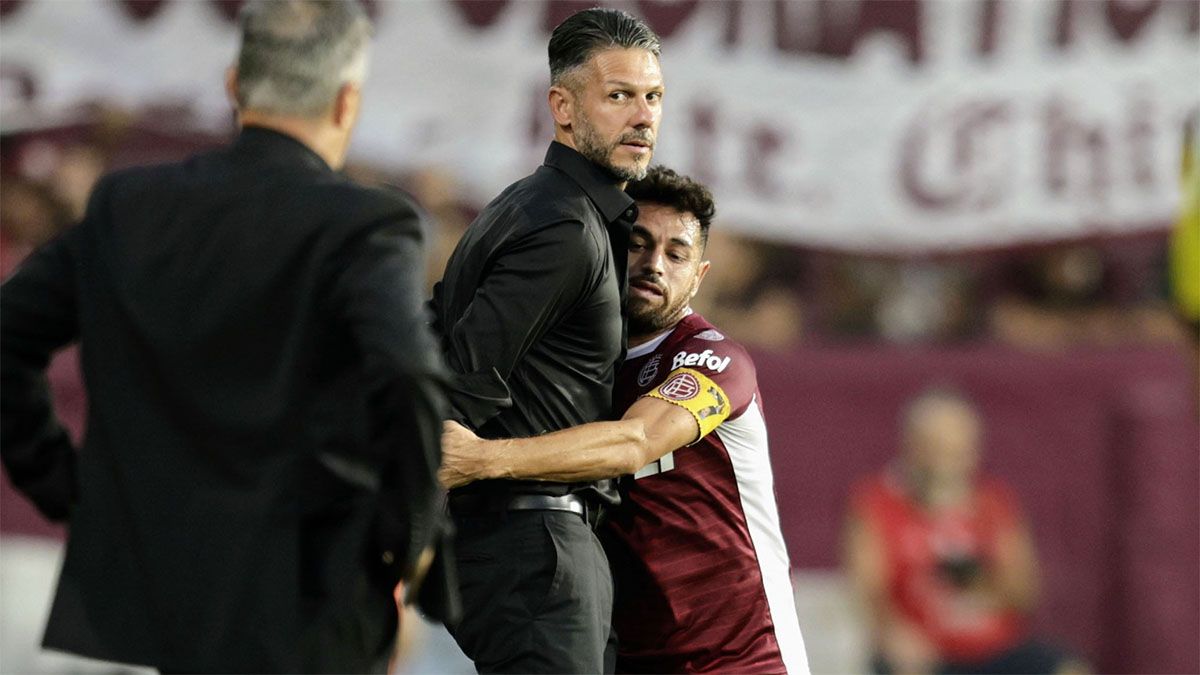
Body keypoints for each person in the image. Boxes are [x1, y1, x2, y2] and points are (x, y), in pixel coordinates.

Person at [0, 2, 450, 672]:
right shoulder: (368, 226)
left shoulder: (132, 204)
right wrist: (411, 545)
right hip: (308, 610)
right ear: (347, 100)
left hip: (155, 598)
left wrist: (61, 481)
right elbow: (409, 376)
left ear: (235, 83)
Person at [441, 166, 812, 674]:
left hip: (741, 659)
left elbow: (635, 441)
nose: (654, 264)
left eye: (676, 253)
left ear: (699, 276)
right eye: (638, 244)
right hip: (630, 657)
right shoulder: (581, 365)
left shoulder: (714, 359)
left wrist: (481, 460)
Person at [428, 7, 663, 673]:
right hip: (537, 549)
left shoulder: (525, 206)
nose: (642, 116)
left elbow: (429, 332)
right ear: (561, 107)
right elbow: (458, 390)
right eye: (618, 96)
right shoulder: (562, 228)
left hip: (530, 550)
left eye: (653, 98)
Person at [841, 387, 1086, 675]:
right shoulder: (876, 503)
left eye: (957, 450)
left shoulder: (994, 502)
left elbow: (1023, 592)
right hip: (925, 653)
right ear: (911, 446)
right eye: (936, 448)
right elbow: (867, 590)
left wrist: (985, 581)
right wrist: (891, 633)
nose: (946, 462)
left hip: (995, 647)